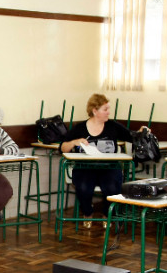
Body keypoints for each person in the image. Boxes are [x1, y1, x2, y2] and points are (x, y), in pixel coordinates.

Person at [60, 93, 141, 228]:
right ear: (95, 111)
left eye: (108, 109)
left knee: (112, 187)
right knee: (83, 188)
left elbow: (132, 136)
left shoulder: (113, 126)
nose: (108, 112)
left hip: (109, 167)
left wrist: (141, 132)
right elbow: (63, 147)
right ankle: (87, 213)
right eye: (105, 109)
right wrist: (74, 142)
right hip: (85, 168)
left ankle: (107, 215)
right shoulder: (80, 128)